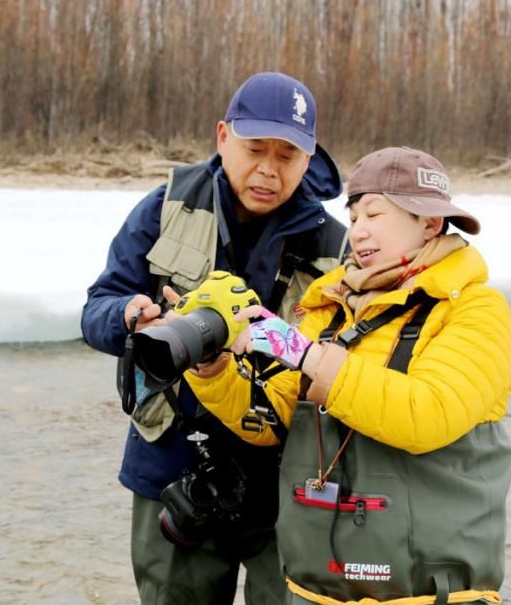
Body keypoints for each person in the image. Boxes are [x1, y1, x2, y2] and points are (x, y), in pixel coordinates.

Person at [185, 146, 511, 604]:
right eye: (355, 216)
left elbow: (427, 415)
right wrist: (215, 370)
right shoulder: (330, 309)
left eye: (375, 214)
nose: (358, 231)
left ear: (430, 223)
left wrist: (308, 356)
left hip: (427, 597)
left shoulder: (474, 309)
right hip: (315, 591)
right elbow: (275, 420)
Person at [81, 72, 347, 605]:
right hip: (174, 471)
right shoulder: (166, 207)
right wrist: (131, 317)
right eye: (254, 149)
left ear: (310, 155)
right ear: (223, 136)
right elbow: (97, 308)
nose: (268, 170)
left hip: (285, 480)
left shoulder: (334, 246)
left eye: (287, 156)